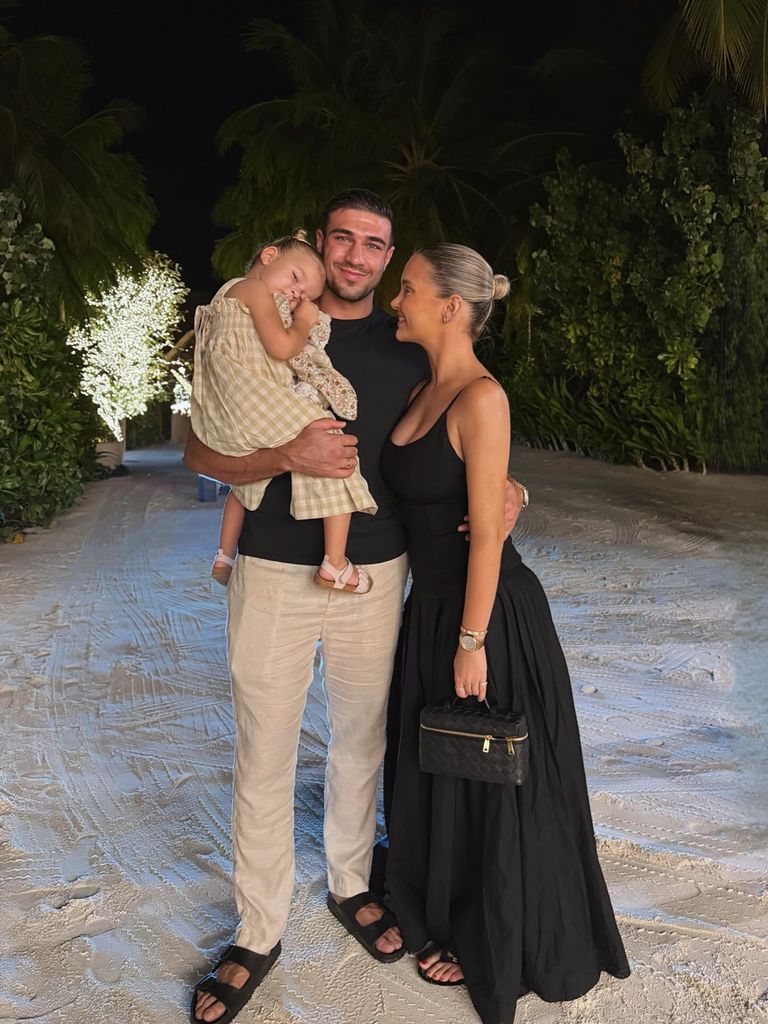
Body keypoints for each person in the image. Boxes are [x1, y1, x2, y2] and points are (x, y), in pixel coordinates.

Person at [184, 191, 525, 1024]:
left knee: (361, 743)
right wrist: (281, 452)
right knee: (263, 749)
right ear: (317, 244)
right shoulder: (254, 320)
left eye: (376, 246)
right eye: (343, 238)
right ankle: (258, 928)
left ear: (389, 260)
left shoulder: (410, 346)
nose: (358, 256)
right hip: (270, 569)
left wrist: (509, 490)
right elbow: (199, 447)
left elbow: (461, 436)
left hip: (377, 577)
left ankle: (348, 880)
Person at [381, 243, 630, 1024]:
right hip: (435, 612)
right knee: (447, 771)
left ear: (451, 307)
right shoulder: (426, 384)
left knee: (491, 775)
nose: (398, 299)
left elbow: (486, 534)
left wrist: (469, 641)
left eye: (410, 288)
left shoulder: (481, 398)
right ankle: (450, 913)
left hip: (485, 617)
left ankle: (496, 935)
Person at [191, 230, 376, 595]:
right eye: (295, 279)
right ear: (268, 255)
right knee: (332, 449)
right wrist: (305, 320)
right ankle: (335, 563)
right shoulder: (253, 290)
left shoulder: (225, 299)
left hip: (227, 411)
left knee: (244, 484)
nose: (296, 294)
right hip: (251, 398)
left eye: (305, 295)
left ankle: (225, 555)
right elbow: (282, 347)